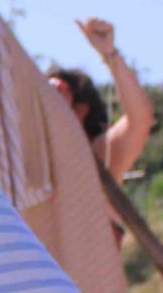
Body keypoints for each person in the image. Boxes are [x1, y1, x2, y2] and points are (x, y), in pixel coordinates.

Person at [46, 17, 154, 181]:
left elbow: (139, 120)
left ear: (81, 110)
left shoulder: (98, 156)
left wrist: (110, 55)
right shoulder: (27, 155)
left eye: (56, 91)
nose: (46, 99)